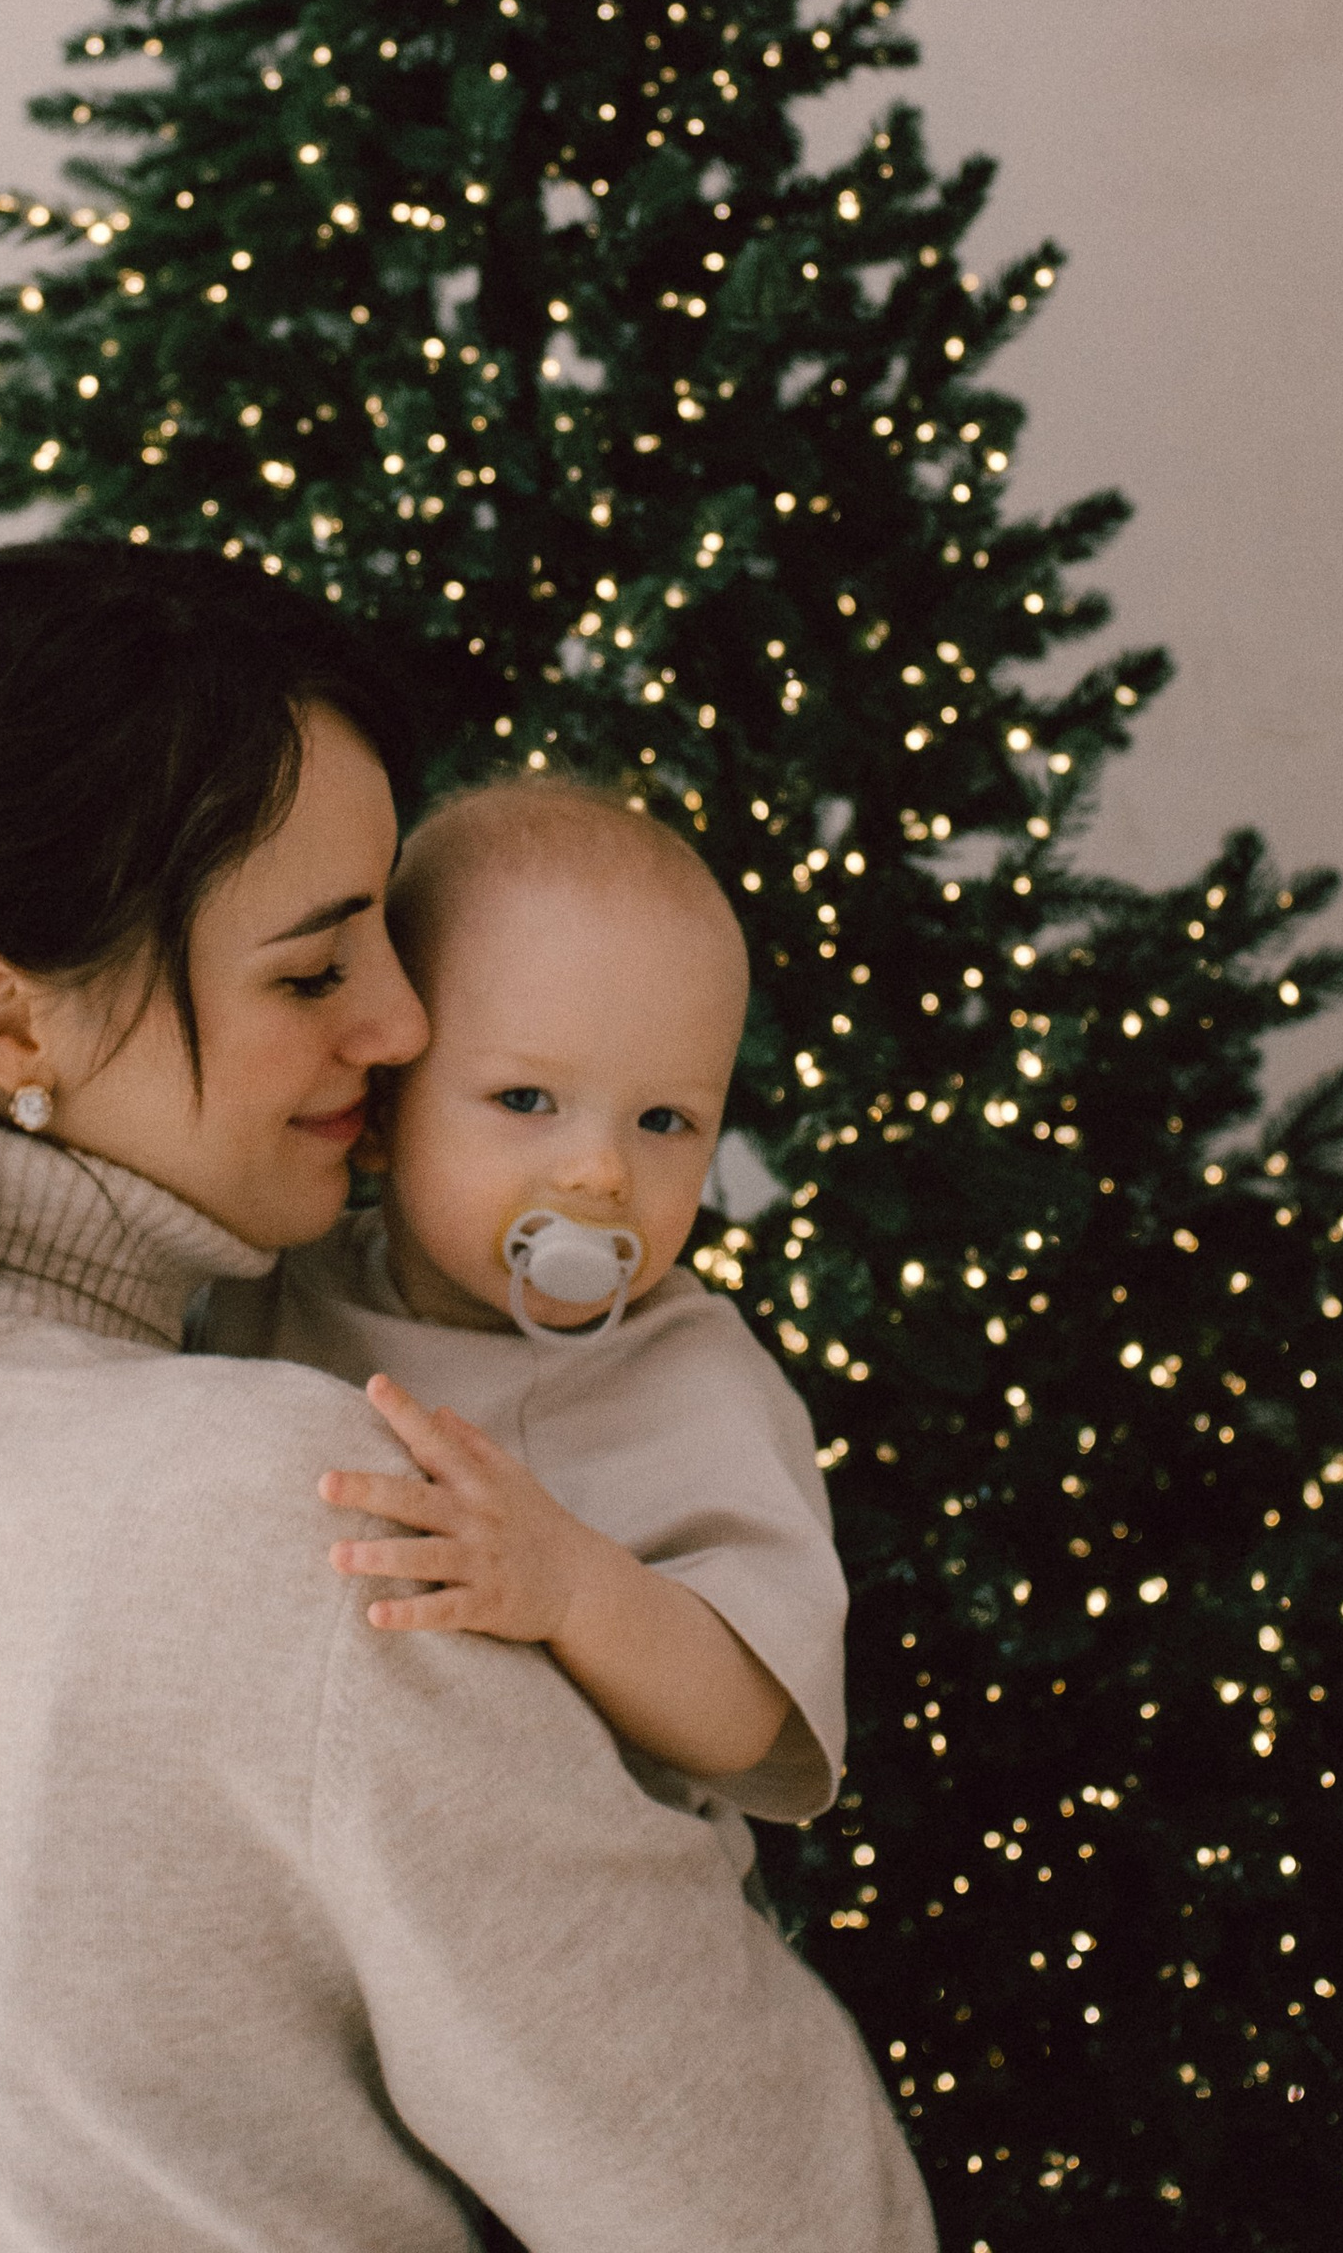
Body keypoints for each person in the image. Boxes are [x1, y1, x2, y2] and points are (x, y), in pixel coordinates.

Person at [0, 540, 930, 2253]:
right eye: (312, 970)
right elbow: (793, 2218)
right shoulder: (318, 1510)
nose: (406, 1024)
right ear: (10, 1024)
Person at [198, 774, 843, 1899]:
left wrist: (577, 1592)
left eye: (662, 1122)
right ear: (387, 1111)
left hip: (586, 1906)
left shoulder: (692, 1384)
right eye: (526, 1102)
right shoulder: (272, 1282)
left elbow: (755, 1716)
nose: (599, 1171)